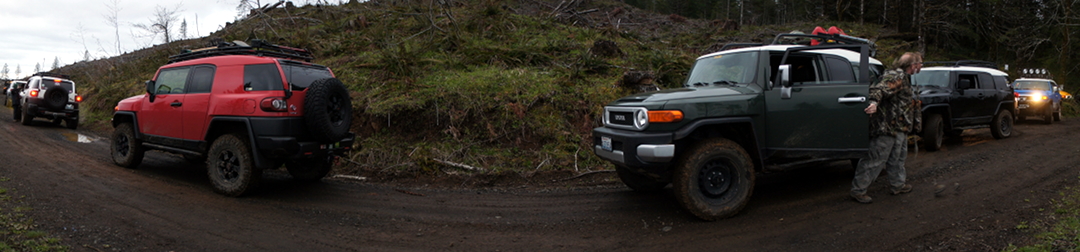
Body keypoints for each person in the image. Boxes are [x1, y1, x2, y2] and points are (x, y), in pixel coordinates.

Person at [850, 52, 923, 203]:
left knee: (897, 158)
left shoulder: (906, 78)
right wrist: (874, 103)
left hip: (899, 127)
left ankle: (898, 185)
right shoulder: (897, 76)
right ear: (913, 65)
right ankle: (858, 190)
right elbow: (880, 89)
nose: (921, 66)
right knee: (875, 159)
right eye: (920, 63)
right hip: (887, 127)